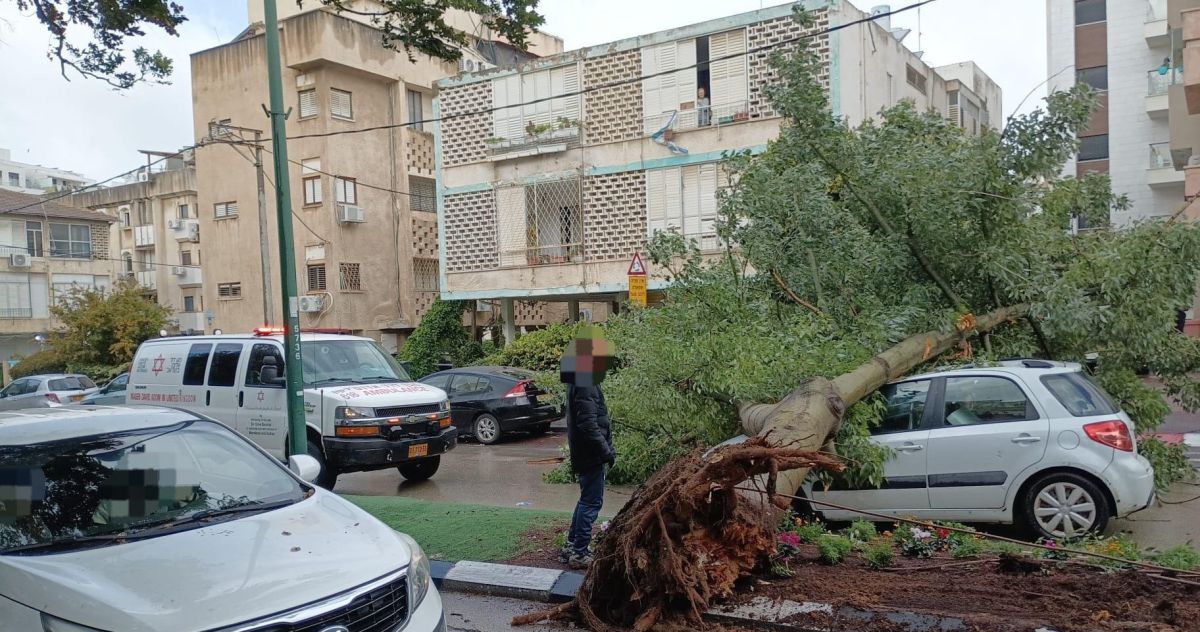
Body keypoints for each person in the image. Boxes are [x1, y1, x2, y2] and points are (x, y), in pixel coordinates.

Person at [558, 324, 615, 569]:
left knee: (585, 500)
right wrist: (606, 451)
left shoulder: (579, 379)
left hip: (584, 451)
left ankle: (573, 545)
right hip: (590, 453)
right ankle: (579, 552)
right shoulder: (585, 382)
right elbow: (588, 423)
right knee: (591, 502)